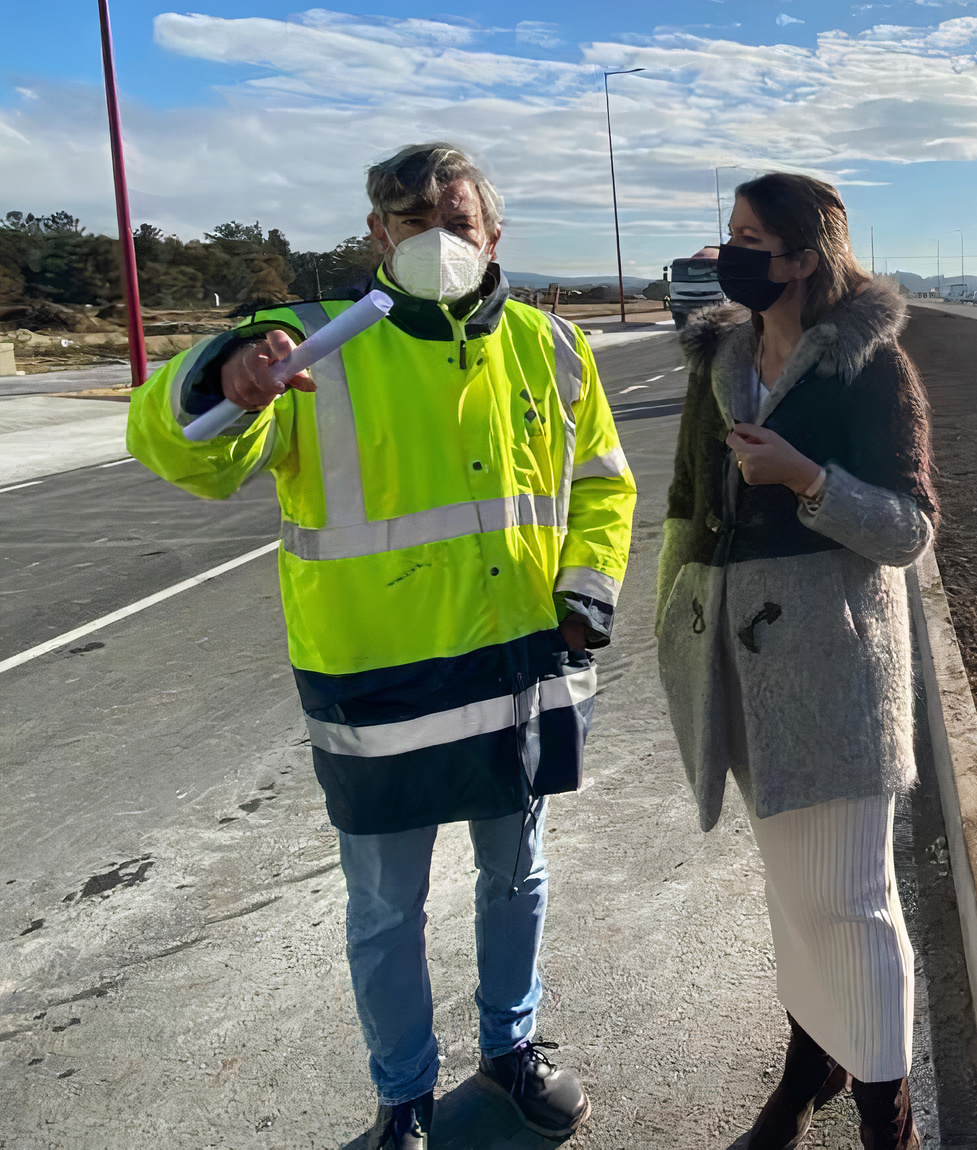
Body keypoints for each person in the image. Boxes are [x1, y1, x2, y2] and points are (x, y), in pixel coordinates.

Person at [127, 143, 636, 1150]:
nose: (435, 240)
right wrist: (224, 376)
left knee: (516, 877)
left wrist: (584, 598)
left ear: (496, 234)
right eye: (410, 224)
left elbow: (604, 485)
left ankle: (512, 1049)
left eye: (455, 221)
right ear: (375, 238)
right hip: (379, 686)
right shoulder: (307, 345)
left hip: (516, 671)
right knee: (384, 907)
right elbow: (181, 453)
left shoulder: (554, 347)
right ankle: (403, 1097)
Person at [653, 172, 935, 1150]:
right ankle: (808, 1065)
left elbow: (907, 533)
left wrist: (807, 479)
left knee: (851, 906)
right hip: (744, 670)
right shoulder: (721, 358)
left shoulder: (871, 367)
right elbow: (689, 508)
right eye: (725, 231)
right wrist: (676, 633)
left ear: (805, 259)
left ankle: (885, 1119)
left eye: (748, 238)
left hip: (839, 674)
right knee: (788, 895)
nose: (726, 251)